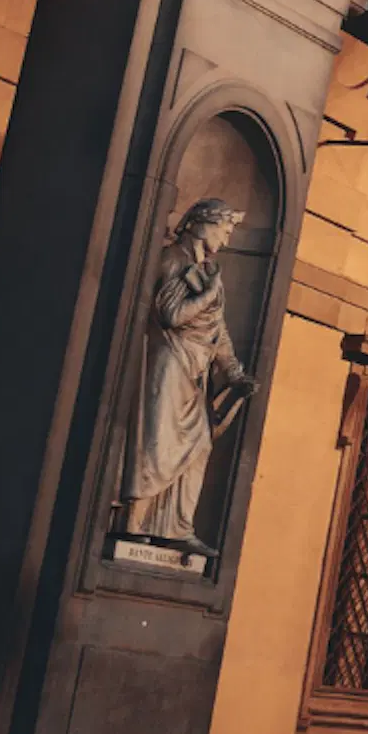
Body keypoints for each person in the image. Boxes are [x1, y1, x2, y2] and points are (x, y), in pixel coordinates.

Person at [123, 200, 251, 552]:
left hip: (196, 367)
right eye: (224, 230)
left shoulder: (207, 270)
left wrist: (234, 371)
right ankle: (132, 523)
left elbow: (217, 328)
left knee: (199, 444)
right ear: (201, 224)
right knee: (156, 441)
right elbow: (170, 314)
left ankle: (176, 528)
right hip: (168, 360)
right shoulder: (171, 260)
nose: (226, 239)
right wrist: (208, 294)